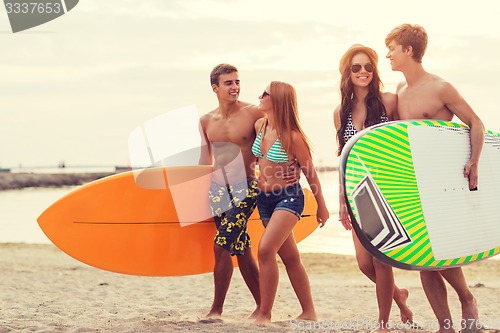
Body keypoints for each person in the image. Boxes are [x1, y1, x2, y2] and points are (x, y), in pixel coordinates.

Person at [385, 24, 483, 333]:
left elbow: (476, 123)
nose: (387, 54)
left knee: (437, 252)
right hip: (412, 182)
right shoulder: (399, 90)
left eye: (392, 48)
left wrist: (474, 162)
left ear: (408, 50)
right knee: (419, 258)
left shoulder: (440, 87)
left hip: (441, 182)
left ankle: (467, 298)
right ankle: (446, 327)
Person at [199, 64, 297, 319]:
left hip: (246, 189)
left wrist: (293, 166)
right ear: (215, 88)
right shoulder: (206, 120)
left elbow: (284, 134)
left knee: (221, 246)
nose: (235, 87)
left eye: (237, 82)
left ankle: (216, 310)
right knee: (240, 248)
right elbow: (203, 164)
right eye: (228, 83)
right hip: (218, 191)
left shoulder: (254, 113)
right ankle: (262, 307)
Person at [333, 44, 414, 332]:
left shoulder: (389, 101)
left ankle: (382, 324)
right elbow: (343, 157)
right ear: (348, 72)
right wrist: (341, 200)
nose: (363, 71)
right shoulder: (340, 112)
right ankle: (401, 299)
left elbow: (406, 142)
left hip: (386, 189)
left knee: (381, 261)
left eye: (368, 66)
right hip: (357, 192)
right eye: (356, 67)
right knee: (364, 264)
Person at [252, 81, 330, 325]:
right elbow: (259, 161)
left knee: (265, 250)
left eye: (265, 93)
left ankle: (264, 314)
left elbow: (310, 172)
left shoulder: (293, 137)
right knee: (291, 258)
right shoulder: (259, 125)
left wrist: (322, 206)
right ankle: (309, 312)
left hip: (289, 197)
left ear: (278, 100)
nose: (260, 96)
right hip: (264, 200)